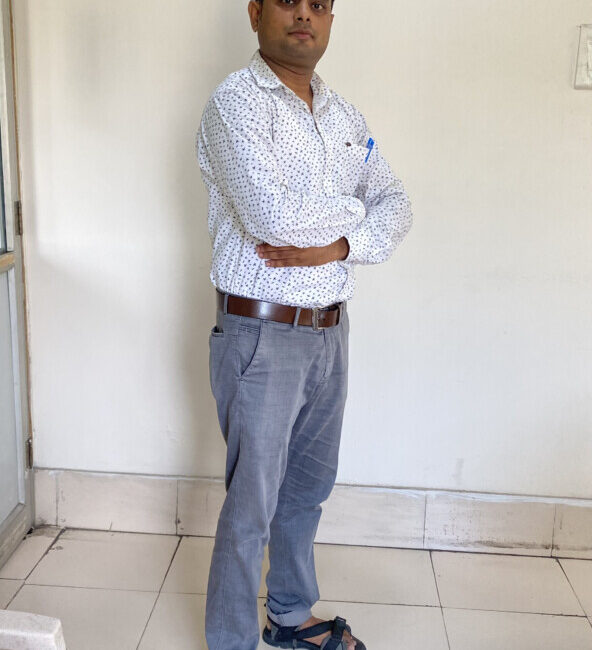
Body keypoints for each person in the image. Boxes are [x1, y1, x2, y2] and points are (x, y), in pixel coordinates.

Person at [195, 1, 413, 648]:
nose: (305, 16)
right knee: (251, 507)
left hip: (329, 331)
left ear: (330, 19)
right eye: (289, 1)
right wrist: (352, 214)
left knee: (307, 489)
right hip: (261, 335)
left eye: (319, 4)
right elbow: (272, 218)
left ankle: (290, 616)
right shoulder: (235, 105)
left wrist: (340, 246)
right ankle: (230, 641)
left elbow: (396, 203)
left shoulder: (346, 116)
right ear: (256, 12)